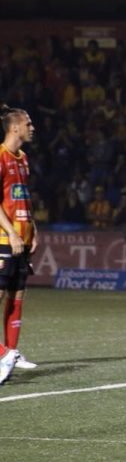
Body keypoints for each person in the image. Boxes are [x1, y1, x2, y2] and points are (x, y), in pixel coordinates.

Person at [0, 105, 39, 386]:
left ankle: (10, 352)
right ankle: (3, 354)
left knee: (17, 298)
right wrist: (12, 233)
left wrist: (32, 229)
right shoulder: (0, 156)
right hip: (3, 240)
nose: (32, 127)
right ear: (15, 128)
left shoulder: (23, 158)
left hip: (22, 241)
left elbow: (23, 197)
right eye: (28, 123)